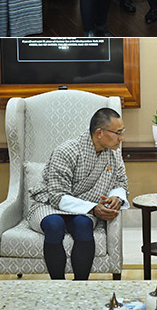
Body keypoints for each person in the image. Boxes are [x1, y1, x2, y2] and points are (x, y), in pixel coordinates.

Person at [27, 108, 130, 281]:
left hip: (86, 208)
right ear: (99, 133)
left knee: (83, 225)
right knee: (54, 225)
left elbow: (121, 183)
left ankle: (80, 285)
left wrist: (116, 197)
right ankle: (58, 285)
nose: (122, 138)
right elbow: (57, 196)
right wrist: (94, 209)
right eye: (118, 133)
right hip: (49, 204)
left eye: (122, 132)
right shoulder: (66, 151)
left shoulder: (114, 154)